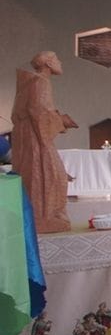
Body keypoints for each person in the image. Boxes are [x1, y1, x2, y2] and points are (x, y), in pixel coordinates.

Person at [11, 51, 77, 232]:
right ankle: (44, 217)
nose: (60, 62)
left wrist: (56, 119)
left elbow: (36, 111)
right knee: (52, 176)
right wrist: (61, 121)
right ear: (48, 63)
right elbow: (38, 112)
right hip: (37, 140)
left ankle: (44, 215)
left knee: (51, 175)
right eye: (57, 59)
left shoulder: (31, 82)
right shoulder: (40, 82)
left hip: (32, 136)